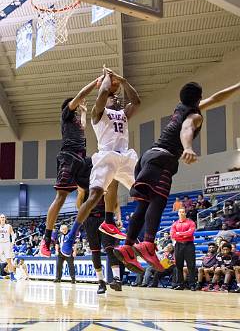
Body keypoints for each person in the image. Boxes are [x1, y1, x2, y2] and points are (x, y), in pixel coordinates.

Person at [113, 81, 240, 273]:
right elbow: (186, 128)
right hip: (163, 158)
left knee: (143, 204)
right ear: (198, 98)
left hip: (147, 158)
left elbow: (216, 98)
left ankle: (127, 246)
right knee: (158, 201)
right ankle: (147, 244)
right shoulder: (195, 116)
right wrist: (188, 147)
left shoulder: (181, 107)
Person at [61, 68, 141, 257]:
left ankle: (135, 240)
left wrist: (122, 80)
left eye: (117, 98)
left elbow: (136, 101)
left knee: (144, 193)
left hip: (125, 156)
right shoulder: (98, 112)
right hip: (106, 156)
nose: (116, 98)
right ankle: (72, 236)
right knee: (95, 194)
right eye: (113, 97)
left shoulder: (123, 114)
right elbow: (104, 92)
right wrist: (107, 78)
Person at [40, 78, 99, 256]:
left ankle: (77, 231)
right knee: (61, 197)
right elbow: (81, 94)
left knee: (97, 188)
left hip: (82, 159)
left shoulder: (76, 120)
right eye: (77, 104)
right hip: (69, 157)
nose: (80, 103)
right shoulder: (66, 113)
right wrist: (95, 83)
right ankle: (47, 239)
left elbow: (83, 125)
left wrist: (84, 112)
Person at [83, 180, 123, 294]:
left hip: (106, 218)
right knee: (95, 251)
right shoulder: (85, 183)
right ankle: (101, 282)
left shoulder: (107, 180)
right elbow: (79, 203)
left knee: (110, 249)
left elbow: (115, 202)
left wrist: (118, 218)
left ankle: (117, 279)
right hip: (90, 220)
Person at [170, 208, 196, 290]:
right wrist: (183, 235)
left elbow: (190, 233)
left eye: (183, 212)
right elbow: (173, 235)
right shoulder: (175, 224)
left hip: (189, 245)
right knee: (178, 265)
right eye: (180, 212)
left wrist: (179, 234)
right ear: (178, 213)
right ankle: (180, 284)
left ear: (185, 213)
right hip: (178, 245)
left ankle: (192, 284)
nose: (182, 213)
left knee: (191, 265)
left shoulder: (191, 222)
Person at [0, 214, 16, 281]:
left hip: (7, 243)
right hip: (0, 243)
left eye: (3, 217)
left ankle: (12, 276)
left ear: (5, 218)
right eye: (1, 217)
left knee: (9, 260)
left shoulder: (8, 226)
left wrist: (12, 242)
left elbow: (13, 235)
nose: (2, 218)